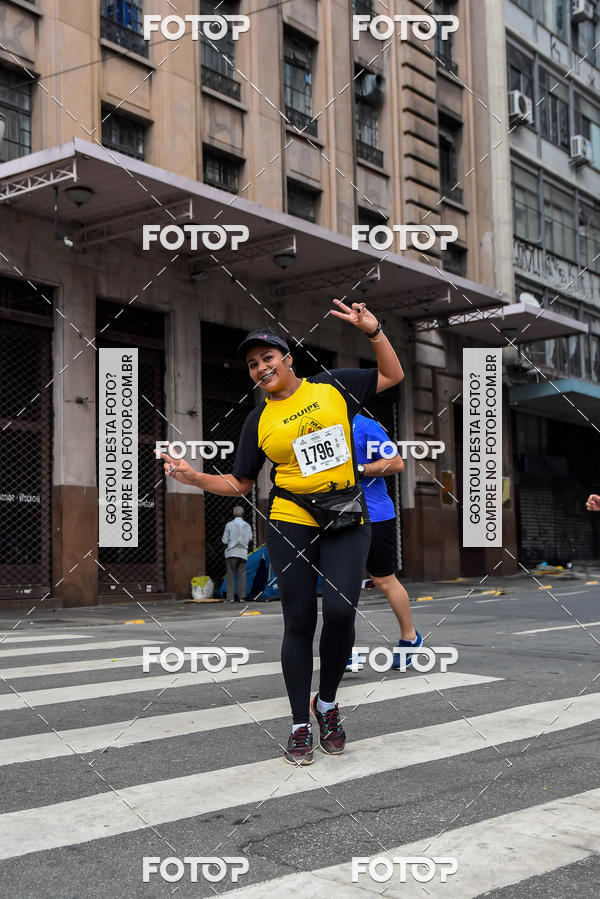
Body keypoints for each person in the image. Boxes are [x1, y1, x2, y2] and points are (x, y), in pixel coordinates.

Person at [160, 299, 404, 766]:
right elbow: (239, 483)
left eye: (267, 358)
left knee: (340, 612)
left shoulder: (332, 387)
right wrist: (193, 478)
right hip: (291, 516)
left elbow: (392, 375)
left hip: (345, 512)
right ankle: (297, 724)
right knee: (299, 620)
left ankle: (326, 704)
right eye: (253, 364)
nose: (261, 368)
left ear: (288, 359)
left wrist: (374, 331)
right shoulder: (259, 420)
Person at [347, 413, 422, 672]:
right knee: (341, 584)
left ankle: (409, 637)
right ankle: (345, 648)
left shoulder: (365, 425)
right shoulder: (316, 424)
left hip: (374, 515)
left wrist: (360, 470)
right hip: (336, 516)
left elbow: (396, 462)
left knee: (383, 580)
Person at [222, 506, 253, 602]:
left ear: (233, 514)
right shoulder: (247, 525)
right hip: (243, 553)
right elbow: (250, 539)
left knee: (230, 575)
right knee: (242, 575)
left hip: (231, 552)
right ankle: (241, 597)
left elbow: (224, 540)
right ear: (243, 514)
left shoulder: (229, 525)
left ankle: (230, 598)